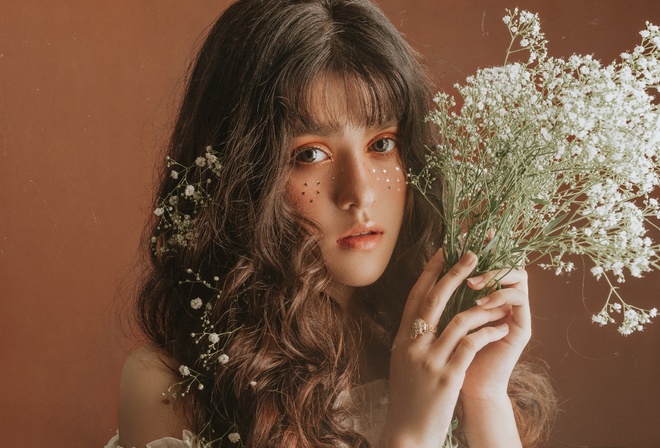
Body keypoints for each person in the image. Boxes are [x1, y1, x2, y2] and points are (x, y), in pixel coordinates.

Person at [110, 0, 557, 447]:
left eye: (382, 144)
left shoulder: (433, 341)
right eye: (309, 155)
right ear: (241, 176)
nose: (358, 193)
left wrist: (485, 395)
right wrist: (412, 433)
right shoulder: (169, 384)